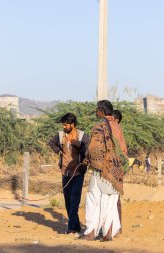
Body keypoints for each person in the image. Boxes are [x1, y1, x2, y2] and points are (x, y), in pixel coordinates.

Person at [81, 100, 124, 241]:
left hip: (101, 168)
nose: (96, 111)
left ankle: (91, 231)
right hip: (116, 169)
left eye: (97, 109)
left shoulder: (100, 126)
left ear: (101, 111)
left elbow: (94, 148)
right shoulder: (117, 127)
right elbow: (123, 150)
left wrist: (88, 160)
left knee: (93, 198)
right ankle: (108, 233)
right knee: (110, 201)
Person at [48, 113, 89, 234]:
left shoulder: (82, 135)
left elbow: (87, 150)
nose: (64, 127)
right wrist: (59, 150)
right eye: (63, 124)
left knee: (74, 201)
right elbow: (51, 143)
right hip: (65, 172)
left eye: (66, 124)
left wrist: (77, 144)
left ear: (72, 124)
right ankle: (76, 227)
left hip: (78, 173)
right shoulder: (60, 135)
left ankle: (71, 228)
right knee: (67, 202)